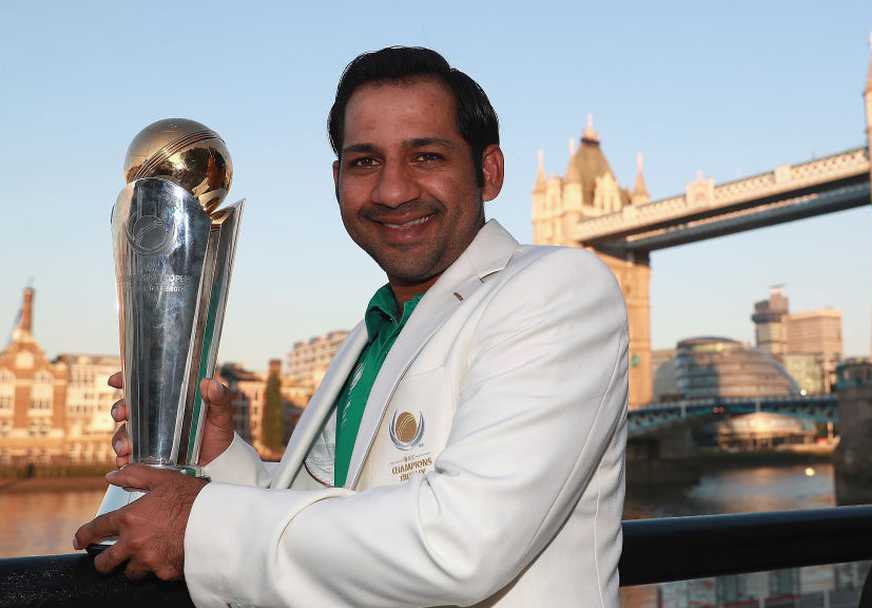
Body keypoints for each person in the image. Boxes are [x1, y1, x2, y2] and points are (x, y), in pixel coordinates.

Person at [75, 46, 629, 607]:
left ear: (489, 172)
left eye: (426, 157)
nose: (393, 190)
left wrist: (195, 523)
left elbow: (462, 543)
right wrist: (218, 454)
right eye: (365, 162)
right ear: (337, 179)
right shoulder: (372, 335)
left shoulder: (558, 288)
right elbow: (322, 518)